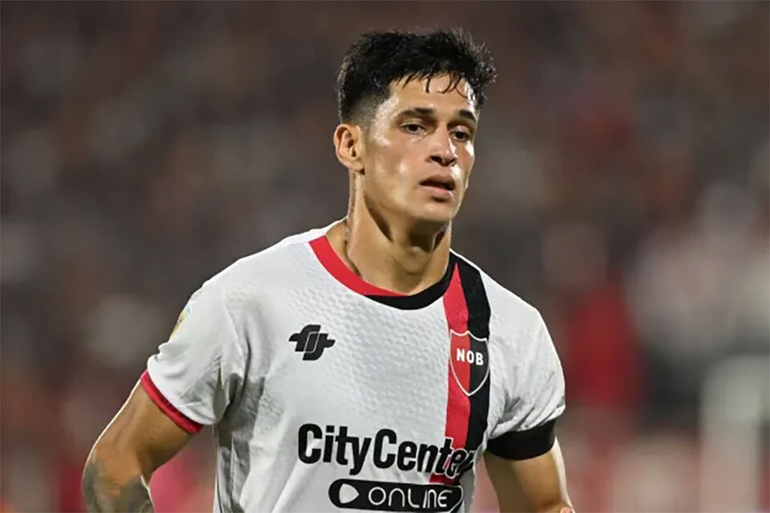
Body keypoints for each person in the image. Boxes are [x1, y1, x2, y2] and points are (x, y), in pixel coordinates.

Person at [82, 28, 573, 513]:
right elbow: (114, 466)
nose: (445, 150)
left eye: (461, 132)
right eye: (414, 126)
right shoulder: (252, 301)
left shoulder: (512, 333)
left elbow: (544, 505)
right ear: (351, 146)